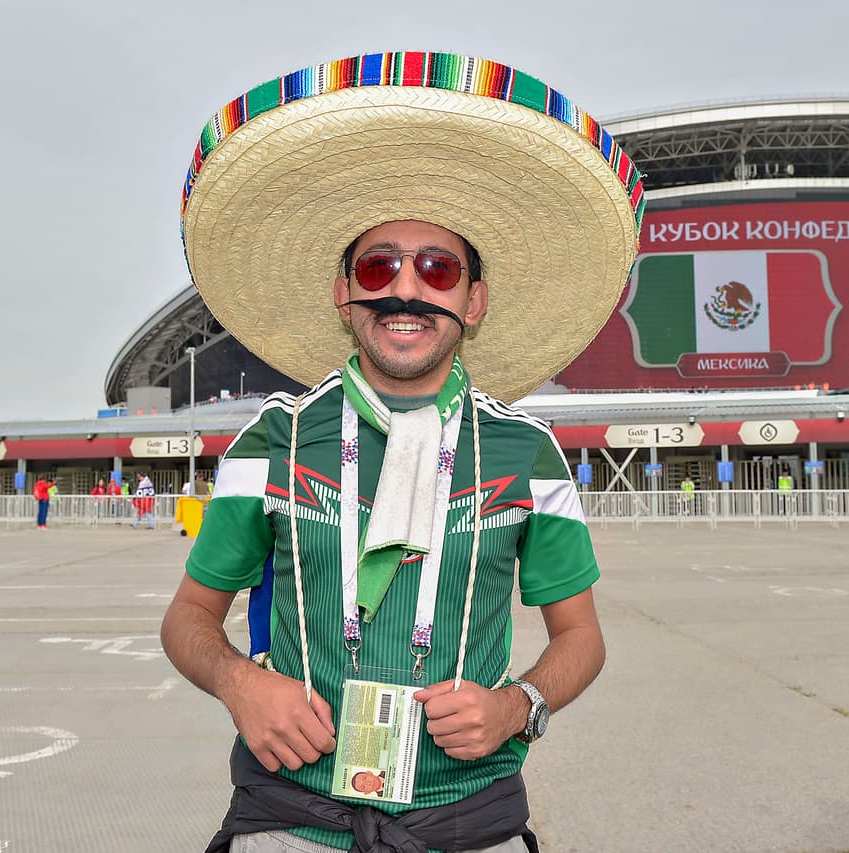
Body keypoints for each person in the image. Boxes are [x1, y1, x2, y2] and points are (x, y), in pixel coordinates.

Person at [160, 50, 643, 853]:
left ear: (473, 300)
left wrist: (518, 705)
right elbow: (190, 616)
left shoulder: (528, 451)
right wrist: (237, 681)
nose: (406, 289)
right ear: (345, 295)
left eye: (439, 268)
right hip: (292, 823)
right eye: (378, 266)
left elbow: (581, 638)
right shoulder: (270, 440)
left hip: (468, 823)